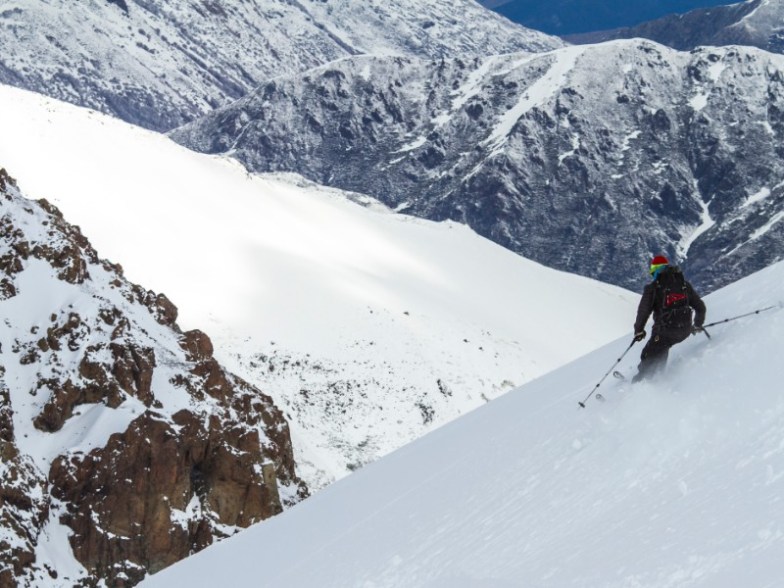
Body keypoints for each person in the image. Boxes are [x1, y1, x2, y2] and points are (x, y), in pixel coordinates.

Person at [632, 255, 706, 383]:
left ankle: (637, 386)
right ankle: (659, 379)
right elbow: (700, 307)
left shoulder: (653, 288)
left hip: (664, 332)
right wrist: (697, 325)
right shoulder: (684, 285)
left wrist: (639, 330)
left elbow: (643, 312)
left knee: (648, 354)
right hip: (685, 330)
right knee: (662, 348)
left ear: (654, 271)